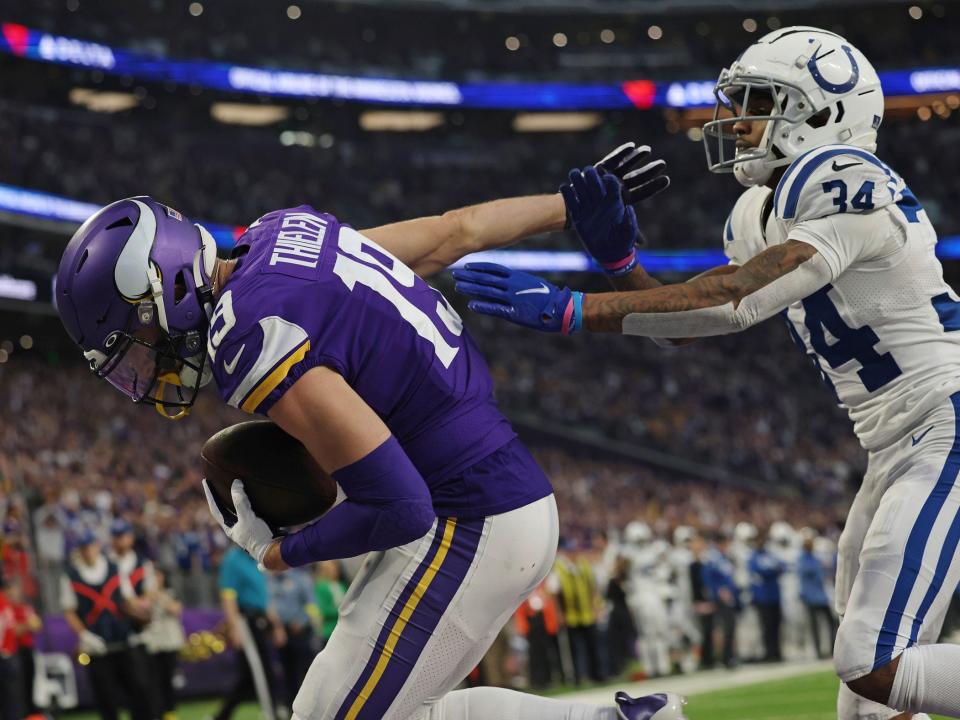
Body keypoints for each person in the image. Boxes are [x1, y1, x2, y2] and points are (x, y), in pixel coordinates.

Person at [54, 151, 685, 720]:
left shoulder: (248, 338)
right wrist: (566, 207)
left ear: (160, 285)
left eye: (135, 346)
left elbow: (401, 507)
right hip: (498, 496)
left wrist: (279, 553)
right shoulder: (279, 236)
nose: (147, 368)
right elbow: (452, 233)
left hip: (469, 517)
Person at [454, 24, 960, 720]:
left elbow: (734, 301)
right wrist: (620, 266)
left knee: (872, 662)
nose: (741, 122)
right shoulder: (757, 209)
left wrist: (573, 308)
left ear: (820, 111)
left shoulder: (846, 176)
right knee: (869, 702)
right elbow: (687, 330)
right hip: (896, 441)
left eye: (761, 102)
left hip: (945, 419)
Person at [60, 529, 153, 720]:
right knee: (105, 697)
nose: (88, 552)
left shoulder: (114, 569)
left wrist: (143, 614)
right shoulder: (71, 576)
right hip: (97, 647)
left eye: (91, 547)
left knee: (138, 691)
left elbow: (128, 599)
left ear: (97, 546)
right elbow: (69, 611)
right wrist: (85, 635)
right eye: (84, 549)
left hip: (123, 641)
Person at [216, 545, 285, 720]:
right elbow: (228, 596)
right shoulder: (233, 559)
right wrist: (234, 627)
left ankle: (221, 716)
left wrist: (276, 625)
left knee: (252, 675)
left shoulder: (256, 559)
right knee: (260, 672)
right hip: (245, 619)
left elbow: (264, 597)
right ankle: (272, 714)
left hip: (260, 619)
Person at [270, 567, 318, 713]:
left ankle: (313, 705)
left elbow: (312, 605)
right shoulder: (268, 581)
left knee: (306, 671)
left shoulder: (300, 578)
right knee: (287, 672)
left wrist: (302, 621)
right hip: (281, 633)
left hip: (301, 632)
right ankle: (292, 709)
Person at [141, 569, 186, 720]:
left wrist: (158, 596)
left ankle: (170, 712)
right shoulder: (143, 594)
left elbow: (177, 609)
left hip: (169, 642)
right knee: (154, 681)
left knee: (169, 679)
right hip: (152, 642)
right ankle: (157, 713)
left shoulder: (169, 592)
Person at [748, 532, 786, 663]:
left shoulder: (770, 554)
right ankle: (769, 652)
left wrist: (771, 570)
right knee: (766, 626)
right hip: (763, 597)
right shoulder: (753, 557)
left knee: (776, 625)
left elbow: (781, 566)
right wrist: (772, 570)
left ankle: (777, 651)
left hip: (775, 596)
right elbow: (760, 571)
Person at [798, 537, 838, 660]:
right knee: (815, 625)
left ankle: (832, 648)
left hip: (822, 596)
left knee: (831, 622)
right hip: (812, 597)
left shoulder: (815, 559)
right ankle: (818, 651)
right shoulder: (803, 559)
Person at [312, 561, 346, 649]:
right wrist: (342, 610)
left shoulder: (341, 584)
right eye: (332, 569)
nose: (335, 570)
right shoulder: (322, 587)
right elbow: (324, 610)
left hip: (344, 628)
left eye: (336, 568)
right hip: (329, 630)